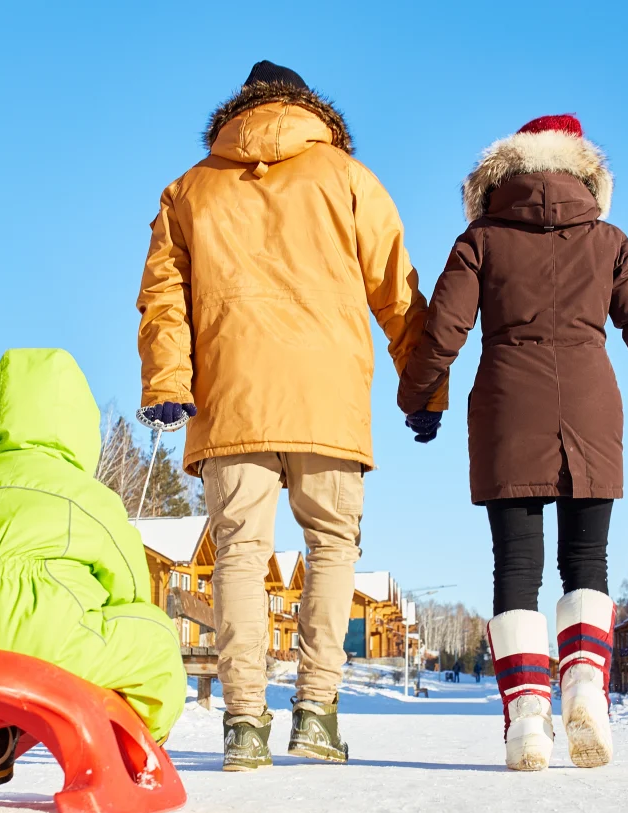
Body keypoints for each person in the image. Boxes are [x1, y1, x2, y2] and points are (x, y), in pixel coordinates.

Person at [136, 60, 437, 771]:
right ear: (311, 109)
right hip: (327, 399)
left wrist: (168, 382)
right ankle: (317, 714)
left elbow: (163, 299)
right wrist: (422, 388)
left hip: (231, 400)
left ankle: (243, 724)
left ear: (238, 110)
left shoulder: (189, 189)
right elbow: (398, 293)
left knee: (239, 555)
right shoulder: (349, 181)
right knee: (333, 548)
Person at [397, 115, 628, 772]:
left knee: (516, 569)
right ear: (584, 172)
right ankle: (584, 683)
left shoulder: (482, 239)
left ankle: (527, 717)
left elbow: (442, 330)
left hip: (507, 408)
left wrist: (419, 399)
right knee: (588, 560)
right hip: (592, 406)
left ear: (504, 172)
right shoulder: (608, 240)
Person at [0, 349, 186, 785]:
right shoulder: (88, 496)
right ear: (80, 427)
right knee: (155, 636)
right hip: (46, 640)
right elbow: (130, 587)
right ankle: (138, 746)